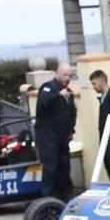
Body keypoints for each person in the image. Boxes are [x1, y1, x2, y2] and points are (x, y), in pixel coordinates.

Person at [34, 63, 78, 201]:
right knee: (51, 169)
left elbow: (71, 113)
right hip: (48, 138)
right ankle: (49, 199)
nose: (67, 78)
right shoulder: (48, 87)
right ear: (57, 74)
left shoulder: (68, 92)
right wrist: (58, 95)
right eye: (65, 75)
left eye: (70, 76)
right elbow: (43, 103)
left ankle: (66, 198)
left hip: (62, 137)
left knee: (64, 168)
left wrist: (71, 130)